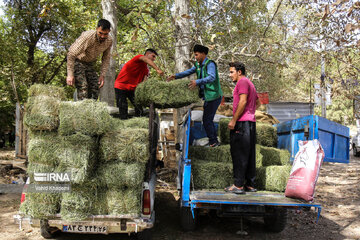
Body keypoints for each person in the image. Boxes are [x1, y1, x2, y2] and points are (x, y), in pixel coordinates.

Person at [167, 44, 223, 147]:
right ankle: (213, 141)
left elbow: (212, 77)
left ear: (203, 54)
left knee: (207, 120)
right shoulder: (198, 65)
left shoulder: (210, 64)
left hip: (214, 96)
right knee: (207, 120)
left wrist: (197, 82)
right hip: (208, 96)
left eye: (197, 55)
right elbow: (188, 72)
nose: (195, 57)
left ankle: (214, 142)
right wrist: (176, 76)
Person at [225, 62, 260, 194]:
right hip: (250, 123)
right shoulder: (251, 83)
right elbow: (258, 102)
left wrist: (234, 119)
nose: (230, 75)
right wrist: (249, 112)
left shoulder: (242, 82)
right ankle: (250, 184)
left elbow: (243, 101)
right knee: (249, 153)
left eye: (231, 72)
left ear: (239, 72)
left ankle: (238, 185)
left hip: (241, 123)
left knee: (239, 153)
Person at [66, 19, 113, 100]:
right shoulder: (88, 36)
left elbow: (106, 58)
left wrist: (102, 75)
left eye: (105, 34)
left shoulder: (109, 41)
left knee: (95, 86)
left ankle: (92, 108)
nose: (102, 36)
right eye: (100, 33)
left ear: (109, 31)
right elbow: (71, 54)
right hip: (78, 61)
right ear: (96, 29)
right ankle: (82, 109)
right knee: (83, 86)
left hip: (89, 63)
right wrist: (70, 74)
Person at [114, 49, 164, 119]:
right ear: (147, 54)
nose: (154, 59)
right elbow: (146, 60)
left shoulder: (146, 70)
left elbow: (144, 82)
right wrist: (157, 69)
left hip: (133, 89)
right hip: (120, 86)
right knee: (123, 107)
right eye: (153, 56)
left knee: (139, 106)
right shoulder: (139, 57)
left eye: (155, 57)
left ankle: (139, 121)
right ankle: (123, 123)